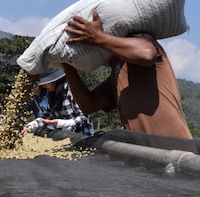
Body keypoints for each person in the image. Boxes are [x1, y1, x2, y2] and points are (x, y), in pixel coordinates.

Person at [62, 10, 193, 139]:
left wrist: (99, 38)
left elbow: (147, 54)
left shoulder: (141, 39)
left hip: (174, 152)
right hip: (147, 155)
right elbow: (89, 105)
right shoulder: (118, 72)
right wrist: (67, 65)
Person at [21, 69, 94, 136]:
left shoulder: (71, 90)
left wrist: (60, 123)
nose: (43, 86)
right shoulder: (52, 94)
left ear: (54, 80)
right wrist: (31, 126)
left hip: (82, 136)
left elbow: (83, 118)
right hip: (65, 136)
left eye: (45, 82)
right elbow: (48, 116)